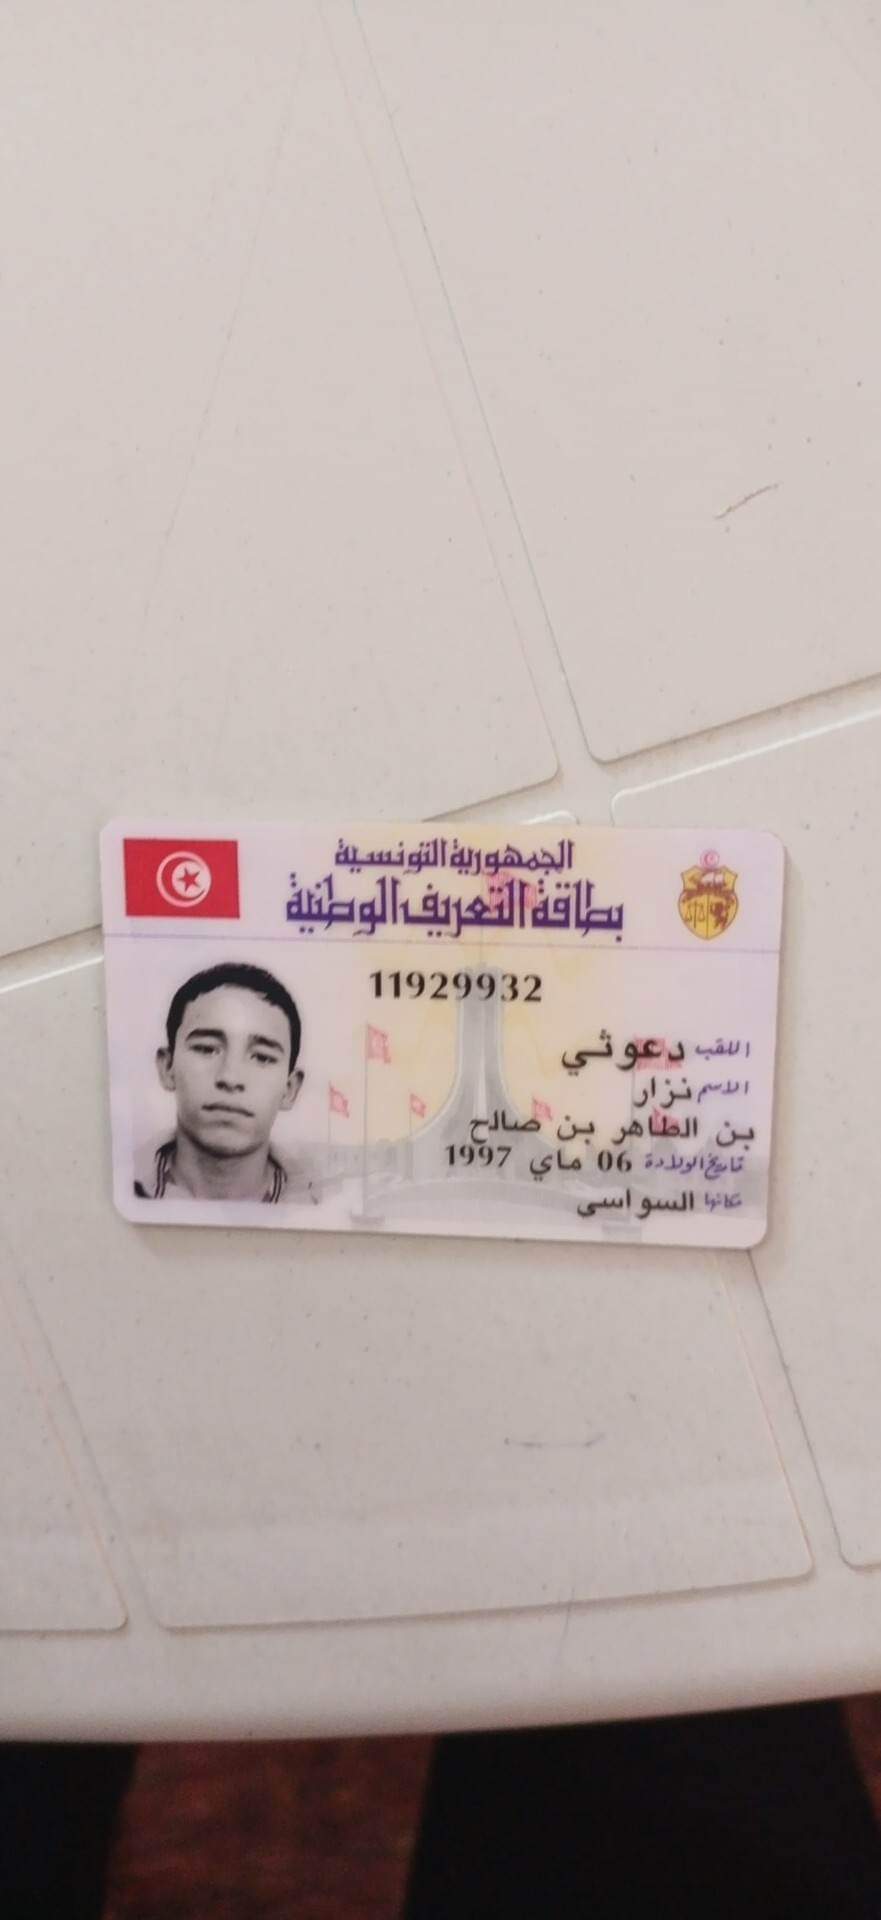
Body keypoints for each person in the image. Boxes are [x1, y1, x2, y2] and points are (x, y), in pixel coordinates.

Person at [134, 961, 307, 1203]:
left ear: (290, 1089)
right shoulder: (122, 1185)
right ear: (167, 1068)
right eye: (206, 1049)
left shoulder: (326, 1207)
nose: (230, 1078)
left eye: (262, 1057)